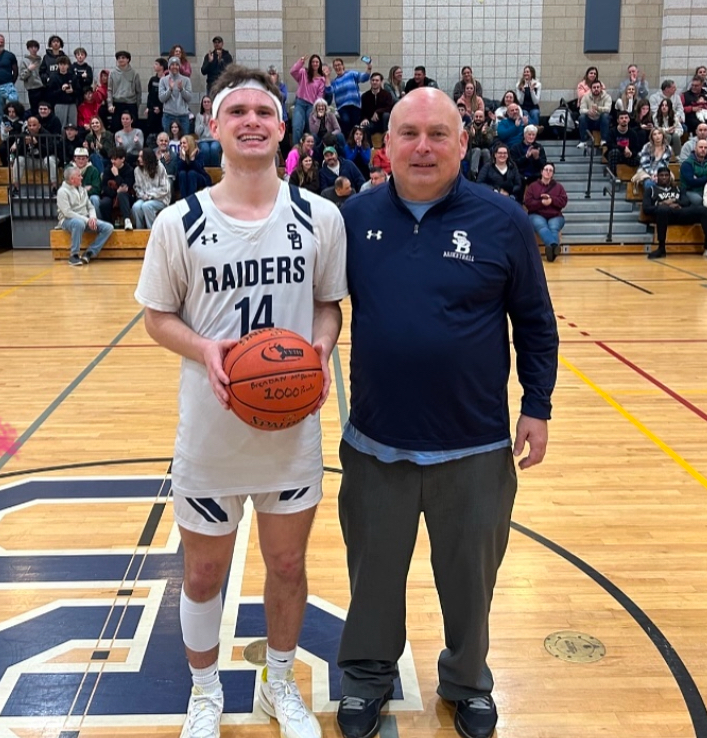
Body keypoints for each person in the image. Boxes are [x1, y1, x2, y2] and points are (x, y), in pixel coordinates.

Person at [336, 85, 558, 738]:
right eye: (409, 134)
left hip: (475, 446)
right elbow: (318, 305)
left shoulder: (503, 221)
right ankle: (366, 680)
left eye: (438, 133)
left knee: (469, 582)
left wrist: (536, 406)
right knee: (372, 578)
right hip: (376, 443)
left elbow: (535, 325)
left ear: (464, 143)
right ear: (386, 147)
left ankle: (467, 683)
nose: (423, 146)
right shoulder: (352, 220)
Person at [134, 64, 348, 738]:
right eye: (238, 113)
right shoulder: (179, 221)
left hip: (290, 431)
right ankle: (204, 693)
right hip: (210, 433)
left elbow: (326, 304)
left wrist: (320, 346)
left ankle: (277, 684)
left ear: (282, 126)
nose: (252, 121)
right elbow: (156, 317)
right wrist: (206, 351)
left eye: (264, 111)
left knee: (286, 565)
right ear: (214, 124)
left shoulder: (320, 217)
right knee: (201, 573)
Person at [643, 165, 707, 259]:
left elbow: (686, 202)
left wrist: (675, 202)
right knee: (663, 210)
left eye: (666, 175)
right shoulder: (651, 190)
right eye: (661, 175)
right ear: (657, 177)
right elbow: (646, 208)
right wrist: (662, 204)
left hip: (680, 212)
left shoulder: (679, 189)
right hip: (665, 216)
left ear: (670, 177)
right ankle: (661, 248)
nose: (664, 177)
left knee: (703, 210)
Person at [57, 164, 114, 266]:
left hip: (85, 219)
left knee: (108, 227)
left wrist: (92, 218)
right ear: (72, 179)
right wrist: (86, 220)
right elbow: (67, 212)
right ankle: (73, 255)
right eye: (79, 176)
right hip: (68, 220)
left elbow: (90, 207)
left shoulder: (82, 189)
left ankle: (89, 252)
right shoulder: (62, 192)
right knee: (78, 223)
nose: (82, 177)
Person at [524, 162, 568, 262]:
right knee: (541, 225)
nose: (548, 172)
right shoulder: (533, 186)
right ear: (541, 172)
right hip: (536, 214)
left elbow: (563, 202)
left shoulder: (559, 187)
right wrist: (541, 203)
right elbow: (528, 203)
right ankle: (553, 246)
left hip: (555, 215)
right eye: (546, 170)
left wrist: (551, 200)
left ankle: (551, 251)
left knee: (554, 227)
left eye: (550, 170)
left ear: (553, 173)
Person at [324, 57, 372, 138]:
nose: (337, 67)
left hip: (355, 105)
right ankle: (349, 142)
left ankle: (356, 142)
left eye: (339, 65)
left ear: (343, 66)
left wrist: (369, 68)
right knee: (346, 122)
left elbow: (364, 78)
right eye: (335, 66)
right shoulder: (334, 82)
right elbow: (329, 91)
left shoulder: (351, 74)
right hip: (342, 107)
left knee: (355, 125)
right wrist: (327, 77)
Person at [10, 115, 58, 195]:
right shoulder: (24, 134)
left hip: (43, 161)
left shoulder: (46, 134)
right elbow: (19, 153)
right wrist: (24, 145)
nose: (31, 127)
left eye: (34, 125)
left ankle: (54, 187)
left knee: (50, 160)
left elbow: (50, 151)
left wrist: (36, 144)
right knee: (19, 160)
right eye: (29, 125)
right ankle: (16, 187)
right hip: (30, 161)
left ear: (39, 126)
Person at [290, 54, 328, 147]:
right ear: (310, 63)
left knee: (311, 129)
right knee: (297, 127)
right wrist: (301, 61)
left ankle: (310, 151)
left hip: (312, 106)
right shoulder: (303, 72)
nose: (315, 63)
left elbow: (320, 96)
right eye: (313, 62)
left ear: (319, 64)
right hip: (300, 103)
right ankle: (296, 150)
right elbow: (293, 71)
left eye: (317, 62)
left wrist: (318, 109)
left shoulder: (321, 79)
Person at [131, 147, 171, 228]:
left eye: (141, 157)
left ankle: (152, 231)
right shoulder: (137, 170)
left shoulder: (160, 167)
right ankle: (140, 231)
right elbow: (137, 187)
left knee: (147, 206)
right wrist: (143, 195)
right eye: (139, 156)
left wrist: (150, 195)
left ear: (148, 158)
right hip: (144, 198)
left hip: (161, 199)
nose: (139, 159)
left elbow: (165, 189)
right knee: (136, 207)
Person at [98, 146, 135, 229]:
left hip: (127, 196)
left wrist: (117, 175)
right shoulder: (108, 169)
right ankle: (109, 225)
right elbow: (104, 186)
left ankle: (127, 220)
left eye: (115, 159)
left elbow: (126, 187)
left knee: (122, 194)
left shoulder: (129, 170)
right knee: (104, 203)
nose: (112, 161)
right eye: (111, 159)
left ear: (122, 159)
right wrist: (115, 193)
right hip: (111, 195)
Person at [107, 51, 142, 132]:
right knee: (116, 127)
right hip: (117, 103)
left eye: (123, 58)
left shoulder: (134, 73)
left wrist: (137, 105)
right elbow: (109, 90)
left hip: (131, 103)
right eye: (119, 58)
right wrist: (110, 104)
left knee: (133, 127)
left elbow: (138, 91)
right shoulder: (112, 73)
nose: (120, 60)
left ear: (128, 59)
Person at [510, 124, 546, 197]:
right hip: (520, 175)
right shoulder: (515, 147)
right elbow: (513, 164)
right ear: (524, 135)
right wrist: (526, 156)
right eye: (529, 134)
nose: (531, 137)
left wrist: (537, 158)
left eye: (533, 135)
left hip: (535, 176)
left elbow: (543, 165)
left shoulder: (539, 147)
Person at [160, 56, 193, 134]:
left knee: (184, 141)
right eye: (172, 64)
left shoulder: (186, 80)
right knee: (168, 140)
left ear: (179, 66)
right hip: (168, 115)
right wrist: (170, 89)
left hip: (183, 116)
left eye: (177, 65)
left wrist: (181, 89)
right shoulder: (163, 80)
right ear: (169, 67)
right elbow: (161, 98)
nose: (175, 67)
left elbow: (189, 98)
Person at [578, 80, 611, 147]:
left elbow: (608, 110)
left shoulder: (607, 97)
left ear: (601, 88)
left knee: (605, 116)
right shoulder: (585, 97)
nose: (596, 89)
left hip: (600, 121)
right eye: (594, 87)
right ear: (591, 89)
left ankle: (604, 140)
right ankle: (583, 141)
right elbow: (581, 110)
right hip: (589, 120)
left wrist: (598, 108)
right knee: (582, 117)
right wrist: (588, 111)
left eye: (598, 87)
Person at [47, 55, 78, 127]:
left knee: (73, 125)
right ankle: (61, 138)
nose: (63, 66)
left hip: (72, 104)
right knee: (61, 125)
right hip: (59, 103)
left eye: (65, 64)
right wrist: (61, 90)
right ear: (58, 65)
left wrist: (72, 91)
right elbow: (49, 93)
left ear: (68, 65)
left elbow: (79, 91)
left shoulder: (73, 77)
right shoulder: (54, 77)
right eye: (61, 64)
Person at [605, 110, 640, 175]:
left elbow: (636, 148)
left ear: (629, 119)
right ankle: (613, 176)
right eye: (621, 118)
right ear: (618, 120)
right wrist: (623, 149)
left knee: (639, 158)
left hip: (628, 156)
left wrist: (631, 153)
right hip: (616, 155)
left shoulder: (633, 133)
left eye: (626, 118)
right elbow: (610, 145)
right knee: (614, 152)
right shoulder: (612, 131)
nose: (624, 120)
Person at [359, 72, 393, 138]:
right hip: (372, 122)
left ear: (381, 82)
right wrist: (365, 119)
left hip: (384, 122)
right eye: (373, 80)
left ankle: (387, 144)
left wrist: (378, 111)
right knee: (364, 127)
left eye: (377, 80)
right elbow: (363, 111)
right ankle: (370, 147)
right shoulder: (365, 96)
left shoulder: (387, 94)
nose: (374, 82)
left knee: (386, 115)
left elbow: (389, 108)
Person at [71, 146, 101, 212]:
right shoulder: (69, 169)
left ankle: (98, 220)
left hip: (89, 196)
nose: (81, 161)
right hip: (74, 196)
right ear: (74, 158)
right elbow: (68, 187)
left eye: (83, 159)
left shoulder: (93, 170)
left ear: (87, 159)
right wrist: (85, 189)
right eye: (78, 158)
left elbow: (97, 189)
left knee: (95, 198)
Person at [195, 95, 221, 166]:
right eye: (205, 102)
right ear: (202, 104)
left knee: (214, 149)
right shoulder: (199, 116)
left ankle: (216, 171)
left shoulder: (216, 115)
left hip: (215, 139)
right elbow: (197, 132)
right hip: (203, 140)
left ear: (211, 104)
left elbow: (219, 129)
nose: (206, 104)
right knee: (205, 149)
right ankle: (206, 170)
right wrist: (203, 123)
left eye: (208, 102)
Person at [19, 39, 44, 115]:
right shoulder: (25, 61)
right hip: (32, 89)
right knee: (35, 110)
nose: (33, 49)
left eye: (35, 47)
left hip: (43, 88)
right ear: (28, 49)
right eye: (31, 47)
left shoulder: (41, 60)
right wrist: (29, 69)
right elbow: (22, 76)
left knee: (44, 108)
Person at [679, 138, 707, 206]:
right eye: (700, 147)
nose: (703, 149)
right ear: (695, 148)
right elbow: (691, 182)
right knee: (699, 200)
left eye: (705, 148)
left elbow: (696, 181)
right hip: (690, 191)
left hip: (705, 190)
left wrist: (699, 179)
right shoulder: (687, 164)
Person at [146, 58, 168, 138]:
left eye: (156, 64)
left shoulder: (167, 80)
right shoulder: (153, 79)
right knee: (151, 131)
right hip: (152, 109)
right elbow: (150, 95)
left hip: (163, 111)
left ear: (162, 66)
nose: (154, 66)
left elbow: (167, 96)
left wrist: (160, 108)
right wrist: (148, 107)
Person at [0, 34, 19, 111]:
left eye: (2, 41)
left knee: (15, 103)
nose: (0, 43)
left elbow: (15, 71)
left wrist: (11, 82)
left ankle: (17, 122)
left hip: (8, 85)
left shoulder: (10, 55)